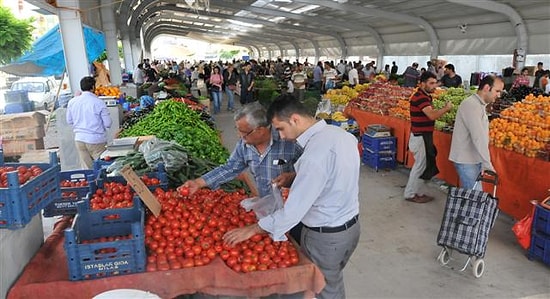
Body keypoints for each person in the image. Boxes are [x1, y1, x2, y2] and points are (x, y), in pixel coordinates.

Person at [223, 95, 361, 299]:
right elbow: (333, 176)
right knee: (333, 279)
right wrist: (295, 177)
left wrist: (253, 229)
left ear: (294, 119)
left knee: (324, 287)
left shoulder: (313, 156)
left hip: (326, 236)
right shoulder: (341, 135)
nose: (281, 135)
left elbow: (292, 212)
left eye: (280, 128)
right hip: (350, 228)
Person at [181, 102, 303, 240]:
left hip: (293, 210)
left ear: (261, 130)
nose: (240, 136)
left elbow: (313, 174)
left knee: (295, 241)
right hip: (266, 208)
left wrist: (293, 177)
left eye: (244, 132)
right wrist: (198, 183)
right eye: (238, 130)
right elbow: (230, 168)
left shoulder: (289, 141)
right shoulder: (244, 145)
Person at [404, 72, 452, 203]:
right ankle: (410, 194)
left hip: (423, 136)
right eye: (431, 83)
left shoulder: (425, 96)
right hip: (420, 138)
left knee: (423, 166)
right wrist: (446, 109)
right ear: (422, 83)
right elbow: (431, 115)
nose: (434, 86)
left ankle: (418, 192)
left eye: (435, 83)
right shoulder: (421, 98)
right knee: (420, 166)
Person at [449, 76, 503, 190]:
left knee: (472, 197)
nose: (499, 95)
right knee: (475, 197)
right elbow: (478, 137)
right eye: (497, 91)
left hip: (472, 159)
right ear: (487, 88)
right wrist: (487, 163)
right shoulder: (471, 105)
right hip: (467, 161)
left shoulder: (479, 105)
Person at [66, 76, 112, 169]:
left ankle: (90, 183)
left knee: (88, 170)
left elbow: (69, 120)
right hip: (96, 140)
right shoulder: (98, 102)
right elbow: (108, 124)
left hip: (79, 139)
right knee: (102, 168)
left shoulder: (72, 102)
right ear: (93, 87)